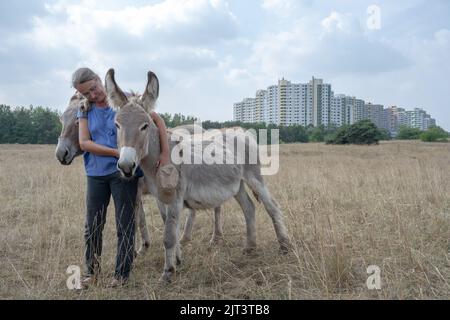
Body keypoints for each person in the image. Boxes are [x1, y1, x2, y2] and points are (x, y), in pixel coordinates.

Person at [72, 67, 170, 288]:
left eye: (94, 88)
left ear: (100, 81)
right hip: (96, 173)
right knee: (93, 225)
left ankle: (122, 274)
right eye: (86, 93)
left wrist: (164, 153)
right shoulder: (84, 109)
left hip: (124, 173)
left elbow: (158, 121)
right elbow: (84, 143)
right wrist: (117, 153)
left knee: (125, 223)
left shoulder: (127, 101)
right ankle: (91, 272)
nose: (93, 95)